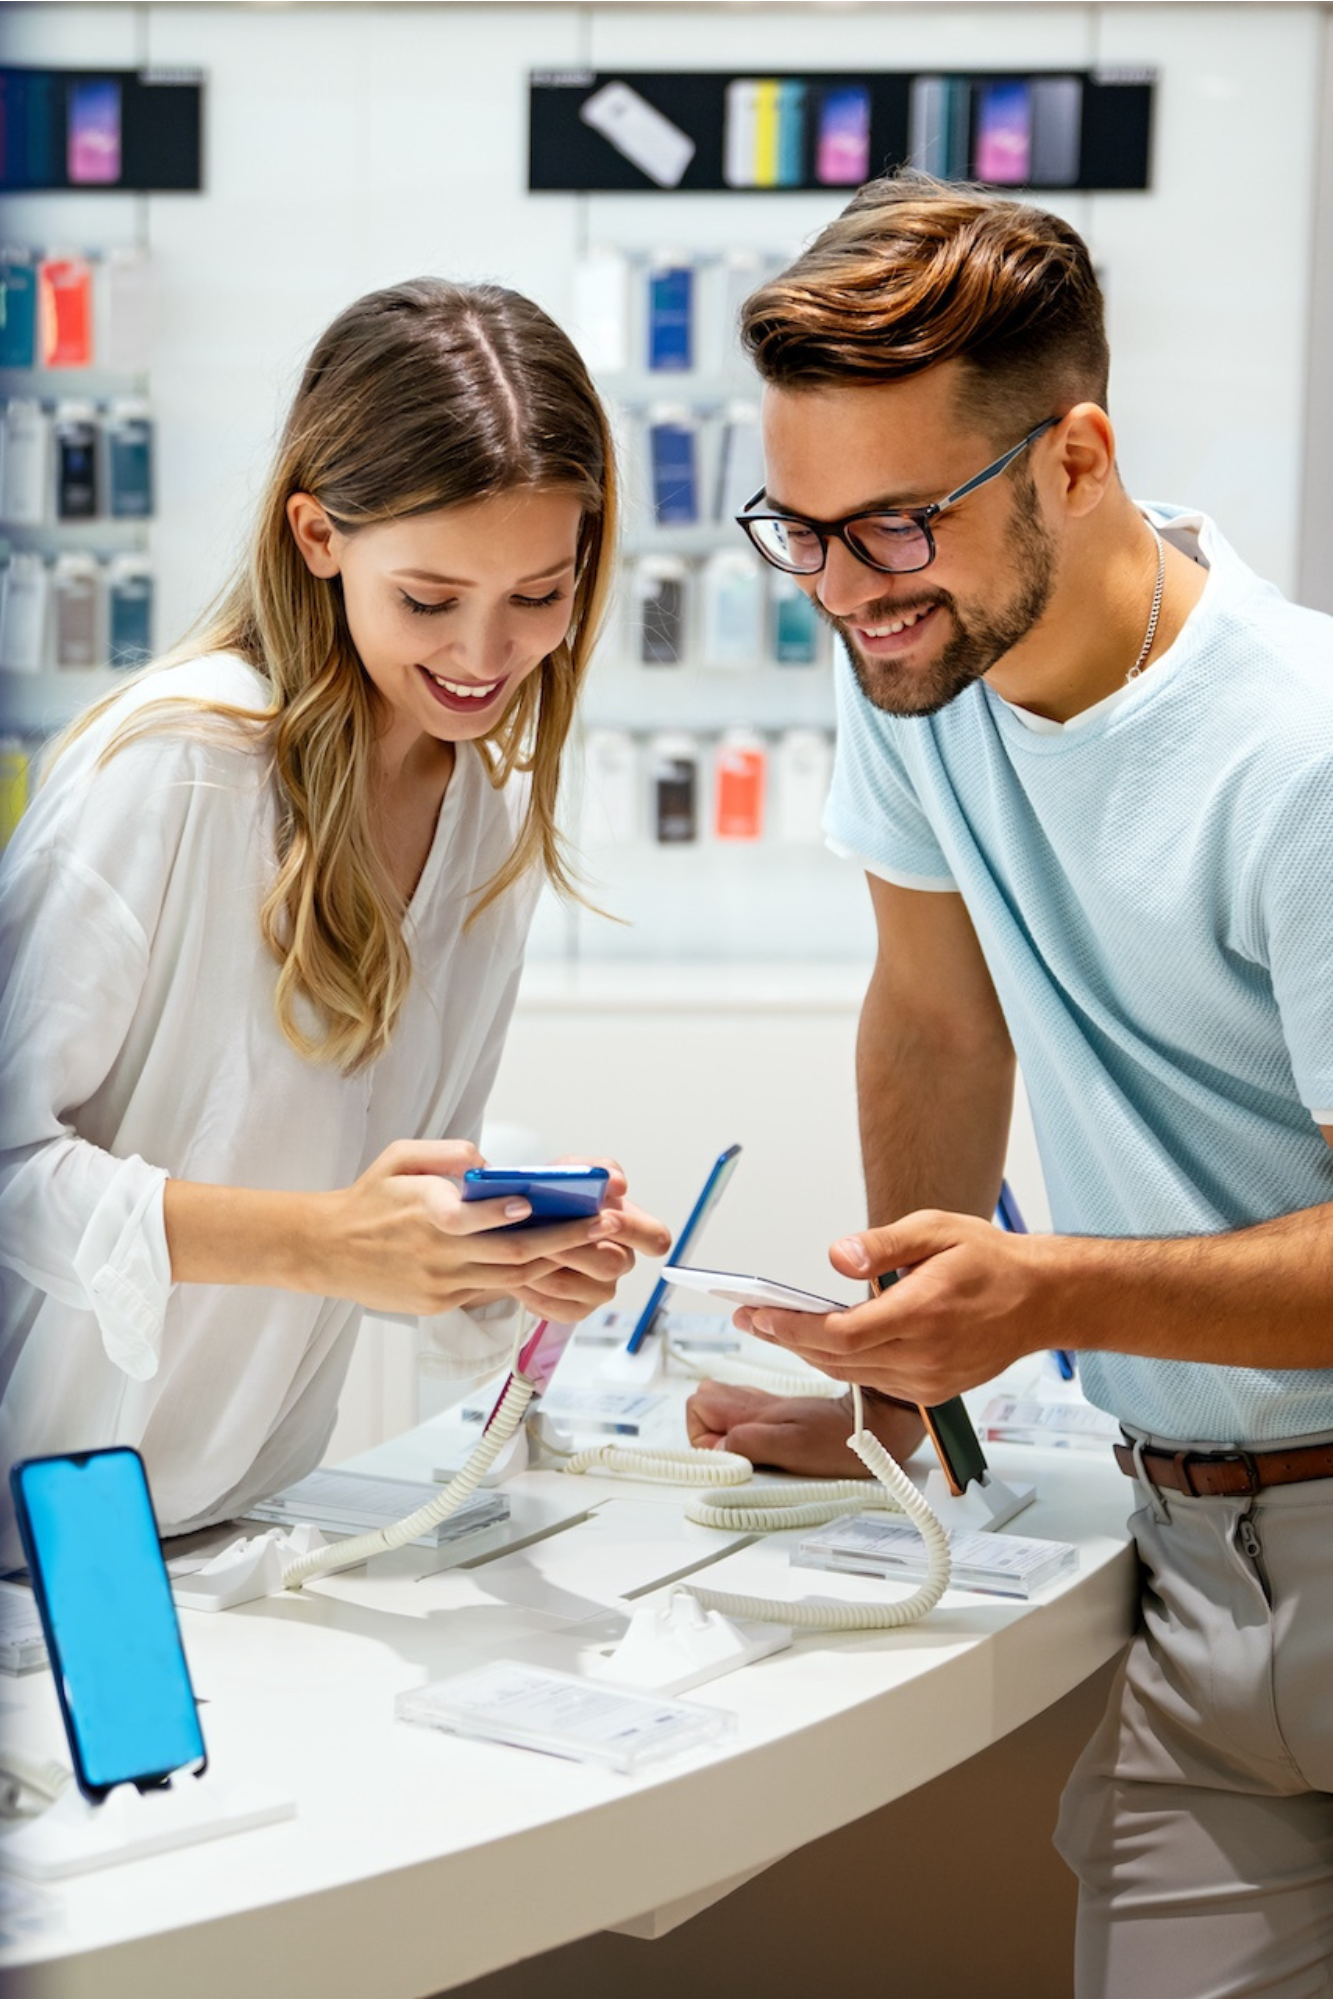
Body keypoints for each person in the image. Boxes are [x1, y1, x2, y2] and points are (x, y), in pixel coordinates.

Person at [686, 174, 1333, 1998]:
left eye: (894, 526)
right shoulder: (920, 659)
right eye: (802, 533)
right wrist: (905, 1384)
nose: (841, 591)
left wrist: (1040, 1295)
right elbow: (933, 1018)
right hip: (1192, 1553)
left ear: (1074, 459)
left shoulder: (1298, 758)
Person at [0, 278, 670, 1565]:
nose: (486, 654)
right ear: (317, 535)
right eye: (429, 599)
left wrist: (502, 1251)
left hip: (225, 1518)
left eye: (540, 593)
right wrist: (324, 1245)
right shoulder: (179, 766)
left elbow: (401, 1199)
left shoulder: (483, 821)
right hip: (43, 1529)